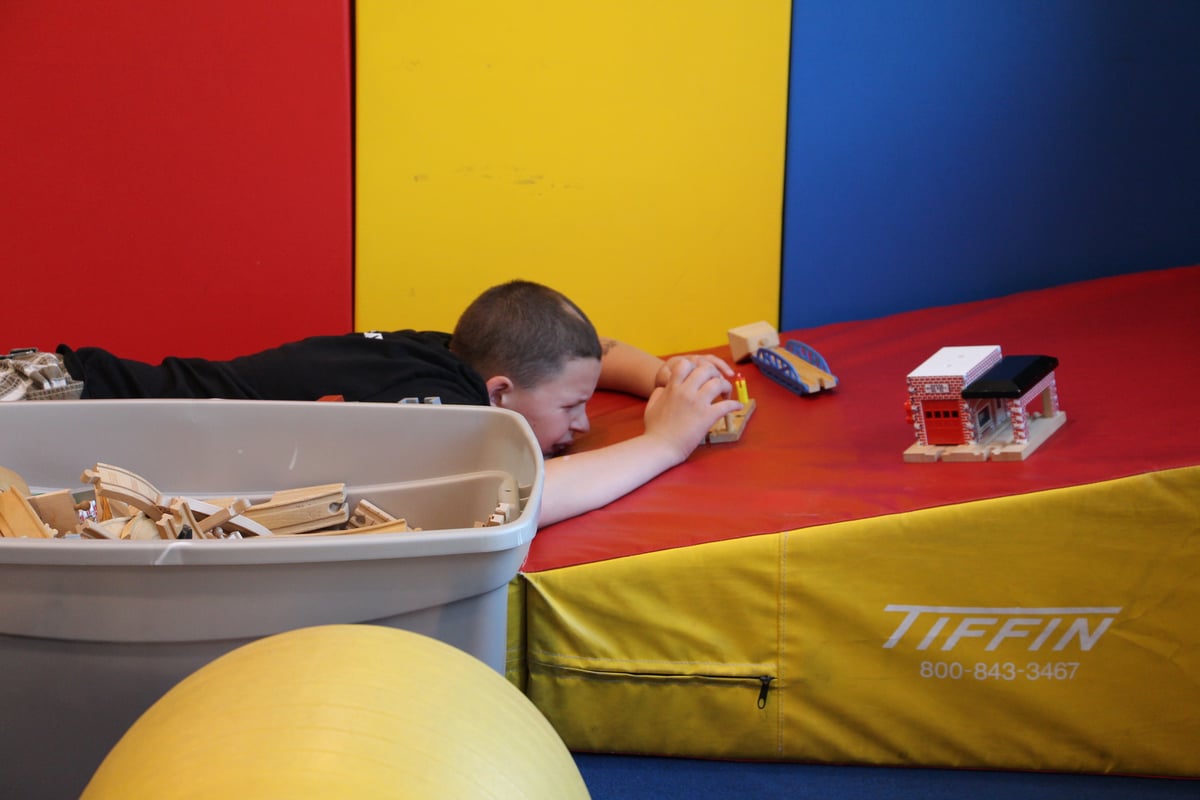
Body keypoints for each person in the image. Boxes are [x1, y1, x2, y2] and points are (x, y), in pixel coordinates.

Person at [47, 280, 742, 526]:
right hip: (55, 410)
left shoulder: (455, 349)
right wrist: (664, 442)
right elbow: (523, 499)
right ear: (499, 393)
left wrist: (666, 378)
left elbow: (588, 349)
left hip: (67, 380)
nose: (584, 423)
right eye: (572, 409)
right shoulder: (433, 409)